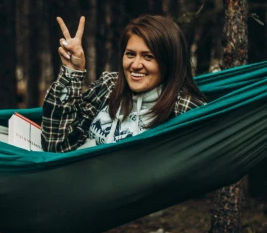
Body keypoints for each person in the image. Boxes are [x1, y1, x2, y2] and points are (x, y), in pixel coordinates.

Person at [41, 14, 206, 153]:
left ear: (169, 62)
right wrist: (73, 72)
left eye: (148, 56)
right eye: (130, 54)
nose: (135, 64)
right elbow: (56, 145)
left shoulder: (183, 108)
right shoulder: (109, 87)